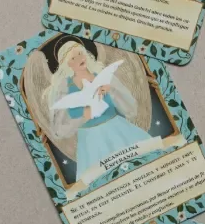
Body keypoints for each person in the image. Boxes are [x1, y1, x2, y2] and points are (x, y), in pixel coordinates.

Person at [44, 41, 152, 181]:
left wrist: (111, 90)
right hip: (91, 141)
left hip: (117, 130)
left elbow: (131, 108)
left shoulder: (102, 76)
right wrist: (83, 115)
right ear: (67, 64)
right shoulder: (65, 88)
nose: (79, 58)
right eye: (73, 58)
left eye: (80, 53)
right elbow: (59, 129)